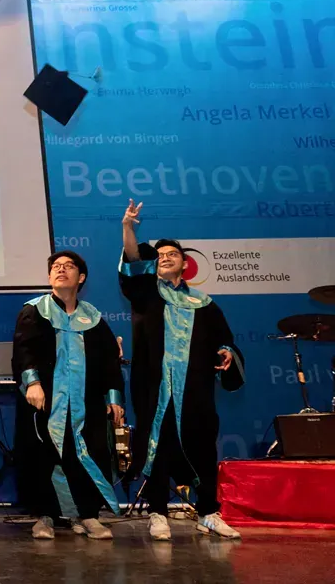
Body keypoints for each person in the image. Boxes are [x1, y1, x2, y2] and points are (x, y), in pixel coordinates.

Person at [119, 199, 245, 540]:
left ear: (185, 264)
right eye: (159, 255)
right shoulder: (147, 293)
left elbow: (225, 341)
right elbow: (133, 259)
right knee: (157, 446)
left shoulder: (203, 304)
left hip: (196, 389)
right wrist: (129, 228)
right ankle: (157, 512)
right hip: (155, 387)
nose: (164, 257)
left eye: (172, 253)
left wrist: (225, 352)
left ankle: (209, 512)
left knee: (203, 446)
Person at [12, 251, 125, 540]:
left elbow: (110, 359)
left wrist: (114, 398)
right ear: (49, 277)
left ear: (81, 277)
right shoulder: (35, 310)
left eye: (68, 266)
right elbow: (24, 350)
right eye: (55, 267)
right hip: (45, 401)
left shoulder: (93, 318)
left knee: (87, 454)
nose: (61, 270)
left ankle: (87, 515)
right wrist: (33, 383)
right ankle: (45, 516)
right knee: (42, 456)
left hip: (85, 403)